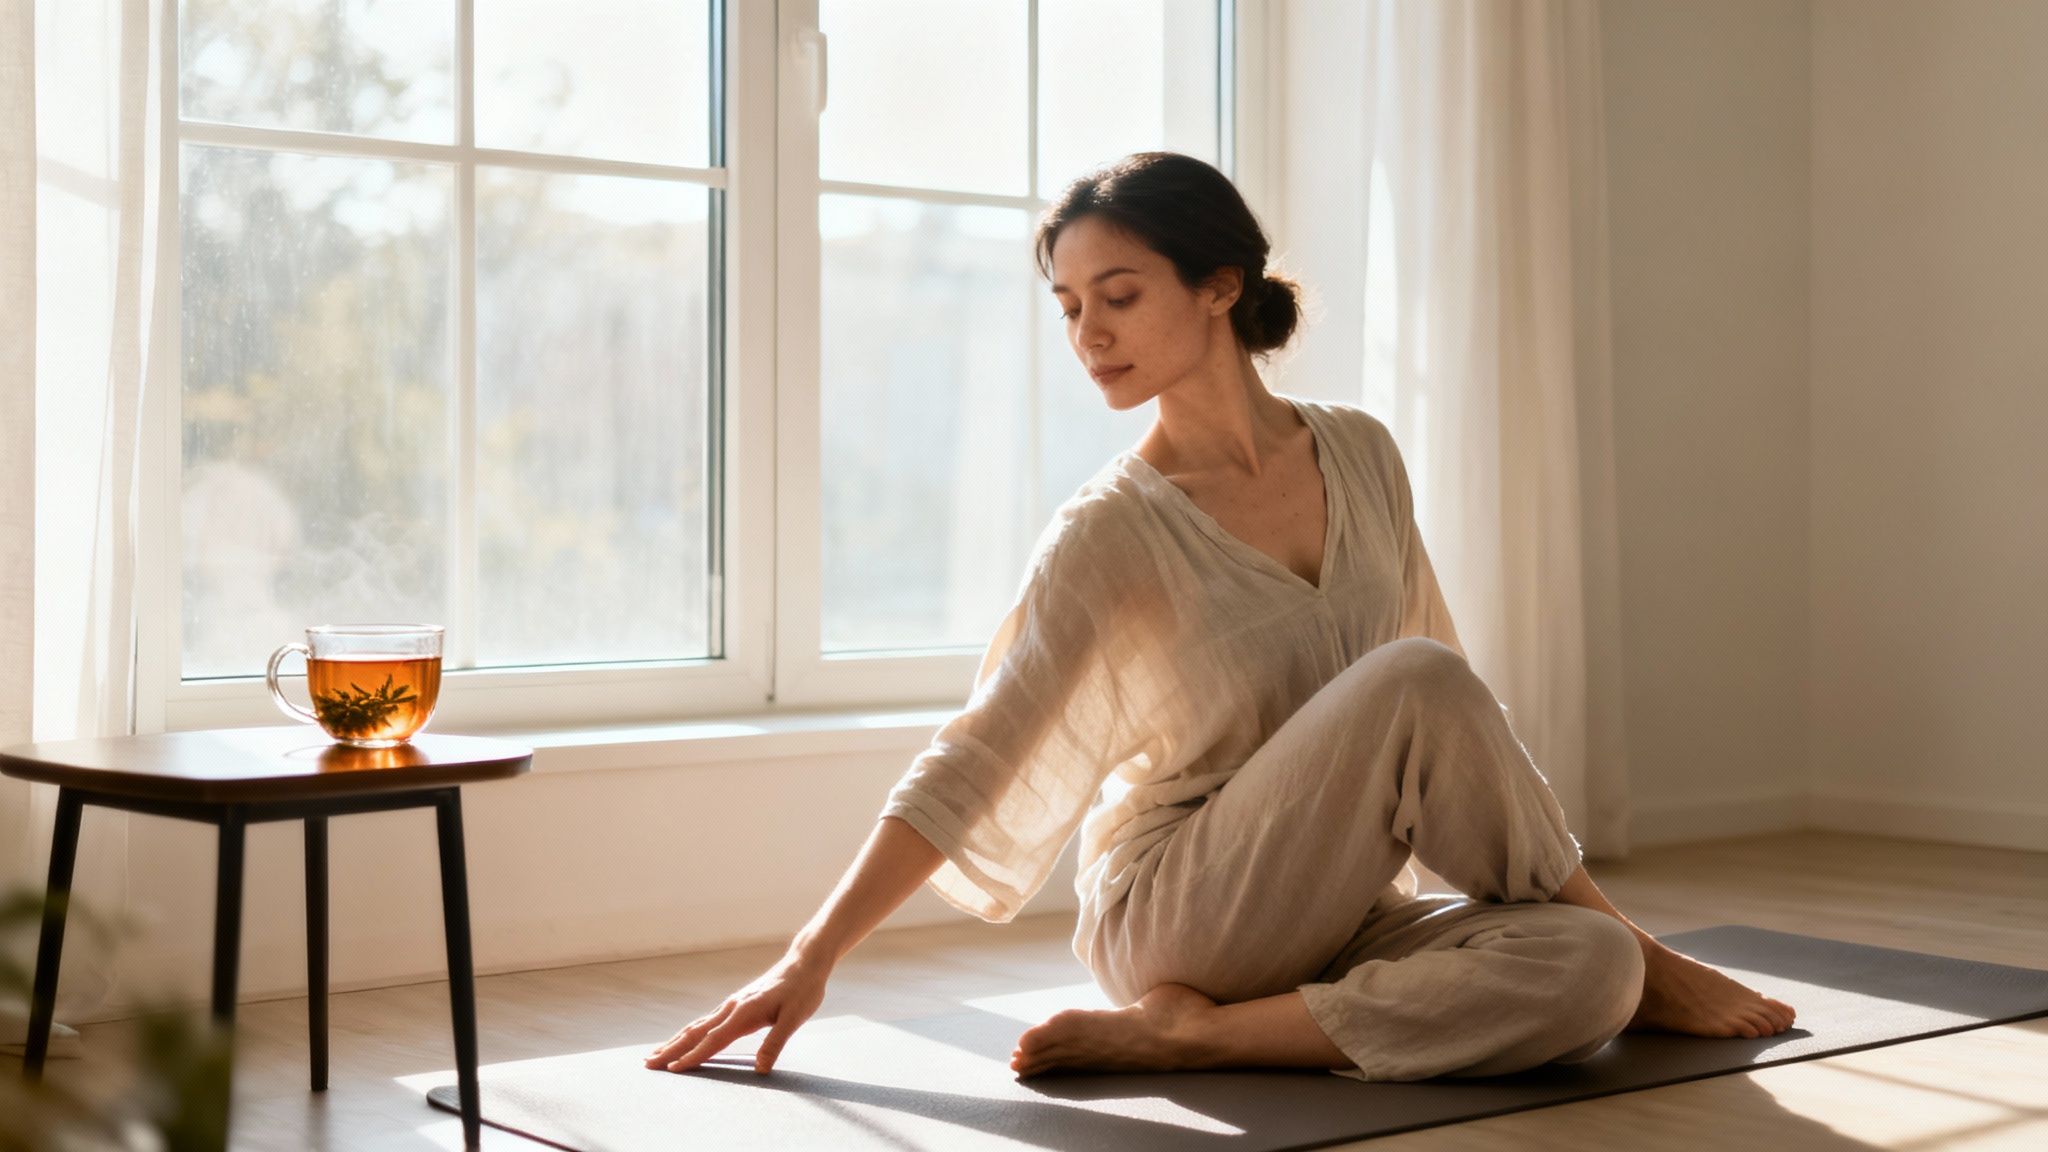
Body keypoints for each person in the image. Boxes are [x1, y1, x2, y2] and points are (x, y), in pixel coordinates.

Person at [644, 151, 1797, 1083]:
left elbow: (1438, 699)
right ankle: (1646, 952)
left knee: (1587, 970)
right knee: (1420, 684)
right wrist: (807, 960)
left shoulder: (1362, 453)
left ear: (1219, 285)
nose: (1087, 334)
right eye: (1068, 307)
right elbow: (972, 756)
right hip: (1181, 914)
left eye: (1118, 296)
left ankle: (1198, 1039)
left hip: (1338, 910)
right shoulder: (1111, 529)